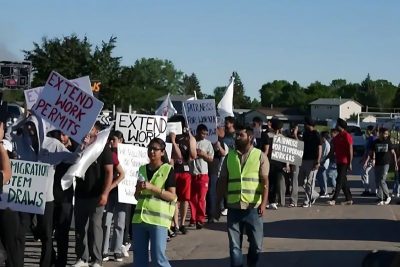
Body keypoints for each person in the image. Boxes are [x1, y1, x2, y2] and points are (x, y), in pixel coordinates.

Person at [8, 114, 85, 267]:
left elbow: (74, 158)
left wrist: (82, 145)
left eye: (33, 126)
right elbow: (8, 132)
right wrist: (25, 117)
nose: (30, 129)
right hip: (25, 197)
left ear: (41, 128)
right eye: (28, 125)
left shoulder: (53, 145)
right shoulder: (21, 141)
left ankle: (46, 264)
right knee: (20, 233)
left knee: (47, 236)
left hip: (47, 198)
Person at [216, 126, 269, 267]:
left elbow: (265, 182)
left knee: (256, 245)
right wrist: (218, 204)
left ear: (250, 138)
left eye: (241, 135)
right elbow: (222, 181)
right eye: (237, 135)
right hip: (233, 207)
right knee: (234, 246)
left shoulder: (260, 156)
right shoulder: (230, 156)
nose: (237, 137)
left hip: (254, 208)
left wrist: (263, 203)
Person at [73, 122, 113, 267]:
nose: (88, 132)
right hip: (81, 193)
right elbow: (73, 163)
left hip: (97, 195)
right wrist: (81, 148)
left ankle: (96, 259)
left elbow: (109, 172)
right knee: (80, 227)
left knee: (95, 227)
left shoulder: (103, 148)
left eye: (91, 129)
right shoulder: (81, 146)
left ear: (97, 132)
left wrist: (105, 193)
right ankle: (82, 258)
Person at [132, 138, 177, 267]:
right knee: (139, 259)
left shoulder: (168, 170)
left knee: (158, 258)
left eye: (155, 149)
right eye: (150, 149)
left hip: (158, 221)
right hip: (139, 219)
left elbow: (172, 196)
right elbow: (136, 196)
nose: (151, 151)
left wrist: (152, 188)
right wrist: (138, 190)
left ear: (162, 152)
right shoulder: (142, 169)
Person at [48, 131, 77, 267]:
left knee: (62, 234)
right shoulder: (50, 148)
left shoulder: (74, 150)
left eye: (64, 134)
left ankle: (61, 263)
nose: (61, 137)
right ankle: (51, 256)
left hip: (65, 198)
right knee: (45, 232)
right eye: (59, 134)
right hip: (49, 197)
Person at [169, 115, 196, 235]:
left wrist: (190, 140)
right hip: (173, 171)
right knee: (174, 199)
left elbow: (192, 155)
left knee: (185, 199)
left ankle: (182, 222)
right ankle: (175, 223)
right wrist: (173, 142)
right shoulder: (169, 138)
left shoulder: (188, 138)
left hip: (185, 172)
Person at [102, 130, 126, 262]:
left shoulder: (127, 154)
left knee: (120, 222)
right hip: (110, 192)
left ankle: (117, 250)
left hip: (123, 192)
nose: (111, 142)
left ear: (121, 141)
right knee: (106, 221)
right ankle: (104, 250)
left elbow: (124, 173)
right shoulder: (108, 154)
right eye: (110, 139)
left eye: (114, 139)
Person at [189, 124, 214, 229]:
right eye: (202, 133)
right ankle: (193, 218)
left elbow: (211, 159)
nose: (204, 135)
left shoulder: (207, 144)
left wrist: (203, 155)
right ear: (198, 132)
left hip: (203, 174)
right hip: (192, 173)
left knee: (201, 198)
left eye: (205, 134)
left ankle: (200, 219)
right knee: (192, 198)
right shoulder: (192, 141)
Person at [369, 128, 397, 205]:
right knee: (378, 181)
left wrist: (396, 164)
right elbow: (372, 151)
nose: (386, 135)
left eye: (387, 134)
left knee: (382, 180)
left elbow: (393, 153)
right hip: (378, 163)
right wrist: (372, 159)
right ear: (380, 133)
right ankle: (381, 198)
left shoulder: (388, 142)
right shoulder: (375, 142)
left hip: (386, 163)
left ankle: (388, 196)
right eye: (385, 133)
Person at [328, 118, 353, 206]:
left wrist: (350, 162)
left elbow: (350, 150)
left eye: (337, 124)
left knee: (339, 180)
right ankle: (349, 199)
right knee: (343, 180)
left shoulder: (347, 135)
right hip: (338, 161)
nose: (335, 126)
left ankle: (334, 199)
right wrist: (326, 158)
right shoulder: (337, 137)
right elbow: (333, 150)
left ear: (340, 126)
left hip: (345, 161)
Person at [263, 119, 286, 209]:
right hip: (276, 162)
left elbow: (266, 150)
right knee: (274, 182)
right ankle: (271, 201)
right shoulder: (281, 137)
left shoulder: (267, 135)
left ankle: (270, 200)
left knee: (270, 182)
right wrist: (286, 164)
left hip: (270, 162)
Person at [207, 125, 228, 223]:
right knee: (208, 194)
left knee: (213, 193)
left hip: (214, 170)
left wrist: (218, 146)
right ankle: (209, 213)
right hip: (203, 169)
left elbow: (223, 153)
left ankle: (213, 215)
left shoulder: (219, 141)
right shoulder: (204, 140)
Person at [299, 117, 322, 207]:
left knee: (309, 182)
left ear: (309, 125)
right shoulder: (305, 134)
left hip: (312, 160)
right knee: (301, 181)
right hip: (304, 159)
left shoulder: (316, 134)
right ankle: (314, 195)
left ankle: (307, 201)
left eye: (305, 124)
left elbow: (319, 147)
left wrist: (318, 161)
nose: (304, 125)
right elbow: (301, 145)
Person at [360, 125, 377, 196]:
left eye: (367, 130)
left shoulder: (371, 138)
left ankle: (367, 190)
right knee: (371, 175)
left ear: (370, 130)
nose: (366, 131)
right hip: (370, 158)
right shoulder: (374, 138)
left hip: (369, 159)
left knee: (365, 173)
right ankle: (373, 191)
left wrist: (366, 160)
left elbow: (370, 151)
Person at [316, 131, 331, 198]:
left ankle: (325, 192)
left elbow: (325, 155)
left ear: (323, 137)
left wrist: (320, 162)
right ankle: (322, 190)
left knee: (323, 178)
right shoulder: (323, 143)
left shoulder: (326, 145)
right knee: (319, 177)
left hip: (323, 163)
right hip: (321, 162)